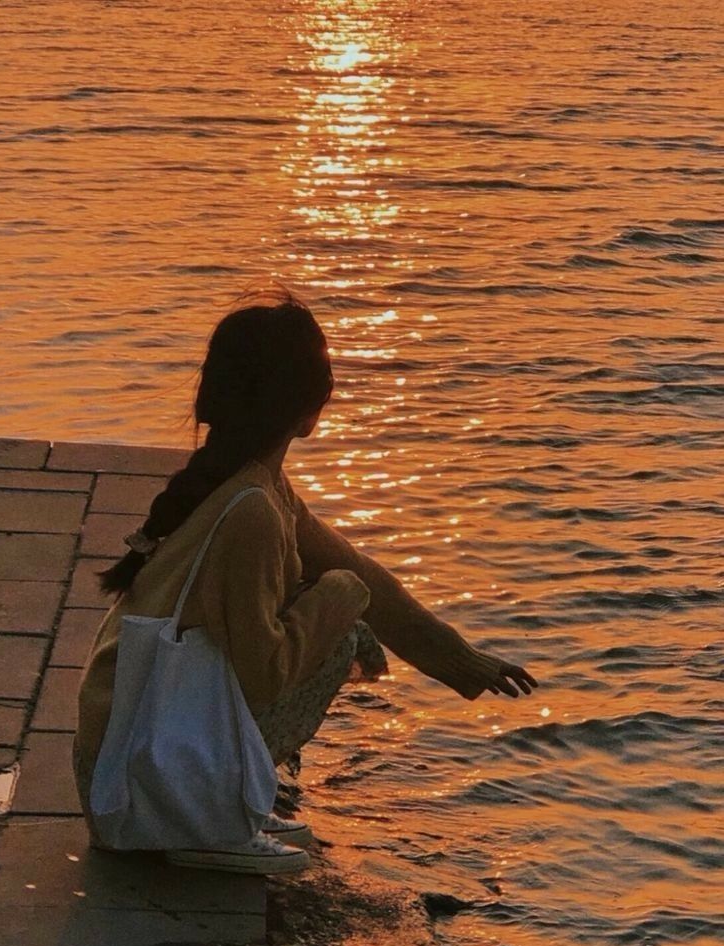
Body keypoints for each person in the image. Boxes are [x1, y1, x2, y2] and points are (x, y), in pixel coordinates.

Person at [74, 287, 537, 875]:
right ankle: (211, 821)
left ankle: (225, 797)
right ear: (309, 413)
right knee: (341, 631)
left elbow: (365, 574)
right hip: (130, 784)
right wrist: (339, 596)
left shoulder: (246, 486)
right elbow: (263, 674)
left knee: (342, 601)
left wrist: (463, 660)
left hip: (118, 754)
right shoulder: (252, 513)